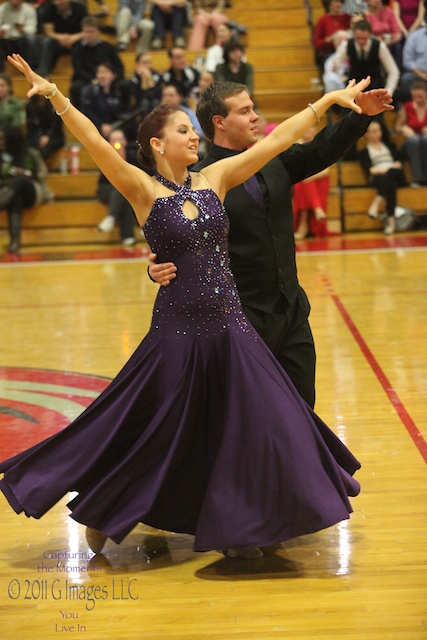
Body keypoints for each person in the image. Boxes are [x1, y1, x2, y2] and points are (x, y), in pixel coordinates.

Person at [1, 52, 371, 559]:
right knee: (162, 433)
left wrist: (328, 100)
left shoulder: (215, 178)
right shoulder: (142, 189)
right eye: (182, 130)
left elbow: (281, 140)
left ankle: (245, 524)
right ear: (157, 143)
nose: (193, 137)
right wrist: (58, 97)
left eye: (194, 130)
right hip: (177, 332)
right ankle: (111, 508)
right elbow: (92, 143)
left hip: (233, 328)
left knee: (268, 417)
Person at [149, 80, 394, 410]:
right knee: (252, 419)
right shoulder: (202, 182)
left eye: (254, 108)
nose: (256, 117)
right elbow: (177, 242)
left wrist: (360, 116)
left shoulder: (271, 159)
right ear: (219, 122)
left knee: (303, 412)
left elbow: (320, 150)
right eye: (245, 111)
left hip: (291, 313)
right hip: (240, 321)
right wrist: (155, 268)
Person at [0, 125, 53, 253]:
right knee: (15, 197)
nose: (0, 142)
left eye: (3, 139)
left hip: (33, 191)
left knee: (20, 181)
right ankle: (15, 242)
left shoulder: (29, 153)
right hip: (11, 193)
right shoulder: (1, 155)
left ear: (12, 139)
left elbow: (40, 174)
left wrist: (22, 173)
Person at [323, 18, 399, 94]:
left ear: (370, 35)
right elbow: (336, 64)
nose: (361, 42)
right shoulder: (346, 45)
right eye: (358, 38)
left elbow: (393, 71)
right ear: (354, 35)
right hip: (354, 89)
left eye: (364, 39)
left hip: (375, 89)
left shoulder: (379, 46)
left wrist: (389, 91)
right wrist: (335, 67)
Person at [358, 118, 407, 234]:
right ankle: (391, 221)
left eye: (379, 130)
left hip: (395, 174)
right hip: (381, 178)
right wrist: (386, 169)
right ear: (367, 134)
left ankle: (377, 200)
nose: (377, 133)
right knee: (390, 184)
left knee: (392, 173)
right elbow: (371, 170)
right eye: (374, 131)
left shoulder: (390, 145)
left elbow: (399, 163)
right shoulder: (363, 152)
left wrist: (387, 169)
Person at [70, 16, 124, 109]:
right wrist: (94, 80)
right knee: (76, 87)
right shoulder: (77, 49)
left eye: (91, 32)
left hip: (108, 79)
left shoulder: (108, 47)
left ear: (98, 32)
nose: (88, 35)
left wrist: (110, 79)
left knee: (124, 85)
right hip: (87, 80)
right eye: (86, 31)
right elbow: (78, 70)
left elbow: (119, 67)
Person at [96, 129, 138, 245]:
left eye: (120, 140)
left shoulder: (132, 157)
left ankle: (111, 218)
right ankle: (127, 235)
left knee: (124, 194)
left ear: (125, 142)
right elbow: (104, 179)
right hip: (106, 188)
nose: (117, 142)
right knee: (122, 191)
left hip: (125, 191)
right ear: (109, 143)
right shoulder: (105, 157)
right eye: (114, 140)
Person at [292, 125, 331, 240]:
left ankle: (303, 225)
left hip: (319, 180)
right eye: (306, 127)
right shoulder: (296, 145)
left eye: (311, 127)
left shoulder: (321, 145)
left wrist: (311, 177)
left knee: (305, 183)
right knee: (302, 184)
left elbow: (326, 171)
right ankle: (317, 209)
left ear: (315, 129)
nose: (308, 130)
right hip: (302, 181)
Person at [80, 61, 131, 139]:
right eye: (99, 72)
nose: (101, 76)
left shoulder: (119, 91)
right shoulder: (90, 91)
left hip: (115, 127)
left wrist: (114, 126)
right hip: (95, 127)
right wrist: (101, 125)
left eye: (105, 72)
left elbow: (123, 111)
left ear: (113, 75)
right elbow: (88, 112)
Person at [37, 0, 88, 76]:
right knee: (47, 42)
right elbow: (49, 32)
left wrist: (73, 38)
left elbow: (87, 30)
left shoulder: (80, 9)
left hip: (76, 40)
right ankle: (43, 72)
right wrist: (61, 38)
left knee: (86, 41)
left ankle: (83, 73)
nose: (57, 3)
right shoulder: (49, 9)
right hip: (57, 41)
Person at [394, 78, 427, 185]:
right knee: (414, 140)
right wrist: (404, 128)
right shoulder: (407, 107)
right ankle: (418, 178)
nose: (417, 99)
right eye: (414, 97)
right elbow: (397, 127)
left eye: (420, 97)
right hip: (412, 143)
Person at [313, 0, 352, 71]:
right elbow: (317, 43)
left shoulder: (348, 18)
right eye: (335, 2)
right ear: (329, 5)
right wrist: (329, 39)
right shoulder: (323, 20)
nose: (339, 4)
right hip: (331, 52)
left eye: (340, 2)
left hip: (349, 52)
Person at [25, 93, 65, 161]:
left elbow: (56, 126)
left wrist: (48, 137)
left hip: (54, 137)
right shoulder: (29, 106)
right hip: (37, 137)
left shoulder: (55, 104)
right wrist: (39, 138)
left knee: (44, 150)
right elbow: (31, 127)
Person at [0, 0, 37, 72]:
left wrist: (22, 29)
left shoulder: (29, 10)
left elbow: (32, 30)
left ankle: (30, 70)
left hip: (22, 42)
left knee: (30, 39)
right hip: (6, 41)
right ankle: (1, 72)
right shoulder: (2, 9)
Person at [364, 0, 403, 67]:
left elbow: (397, 32)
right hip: (373, 44)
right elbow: (365, 34)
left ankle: (396, 72)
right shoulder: (365, 15)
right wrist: (377, 40)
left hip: (390, 43)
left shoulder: (389, 12)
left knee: (397, 46)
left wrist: (390, 41)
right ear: (367, 1)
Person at [400, 23, 427, 101]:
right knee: (406, 79)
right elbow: (407, 61)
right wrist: (421, 74)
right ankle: (411, 106)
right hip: (417, 73)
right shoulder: (415, 36)